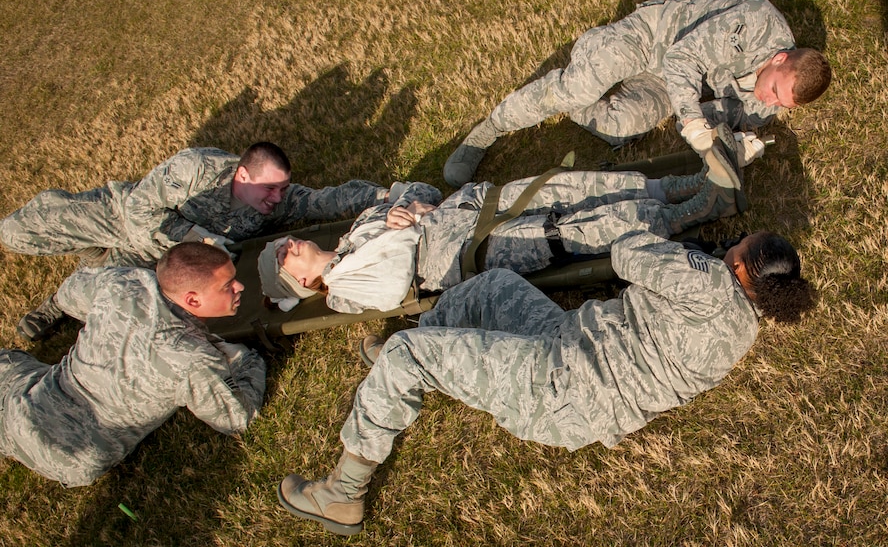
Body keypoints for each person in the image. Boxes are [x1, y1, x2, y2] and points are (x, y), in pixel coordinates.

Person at [276, 228, 815, 535]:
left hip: (555, 386)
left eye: (736, 248)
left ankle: (344, 491)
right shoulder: (745, 329)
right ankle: (432, 344)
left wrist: (686, 254)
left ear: (740, 268)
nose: (730, 249)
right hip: (573, 356)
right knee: (495, 288)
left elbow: (629, 253)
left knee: (403, 354)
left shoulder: (705, 281)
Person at [259, 140, 744, 315]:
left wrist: (403, 207)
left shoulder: (355, 234)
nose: (292, 244)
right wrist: (403, 230)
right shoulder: (343, 289)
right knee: (581, 227)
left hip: (474, 206)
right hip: (478, 248)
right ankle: (700, 209)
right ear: (300, 282)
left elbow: (421, 189)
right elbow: (390, 283)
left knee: (573, 185)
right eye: (284, 256)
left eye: (282, 243)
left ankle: (687, 183)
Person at [1, 141, 392, 340]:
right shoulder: (196, 169)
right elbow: (140, 210)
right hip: (121, 217)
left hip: (166, 264)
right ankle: (85, 242)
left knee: (105, 305)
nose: (277, 198)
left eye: (283, 188)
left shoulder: (276, 202)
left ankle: (63, 298)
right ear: (241, 176)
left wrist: (388, 197)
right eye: (269, 189)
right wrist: (197, 238)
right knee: (15, 234)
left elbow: (326, 200)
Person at [443, 0, 832, 187]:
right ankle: (487, 130)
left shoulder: (779, 93)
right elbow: (682, 60)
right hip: (652, 38)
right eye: (775, 91)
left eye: (783, 104)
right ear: (780, 58)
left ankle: (586, 77)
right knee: (579, 89)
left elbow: (733, 115)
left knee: (620, 128)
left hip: (671, 83)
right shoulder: (754, 23)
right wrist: (694, 120)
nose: (771, 103)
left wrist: (736, 143)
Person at [0, 242, 266, 487]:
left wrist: (110, 318)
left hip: (29, 400)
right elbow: (238, 418)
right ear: (193, 300)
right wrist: (248, 360)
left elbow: (70, 292)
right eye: (228, 285)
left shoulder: (124, 284)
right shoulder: (193, 359)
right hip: (70, 458)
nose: (240, 287)